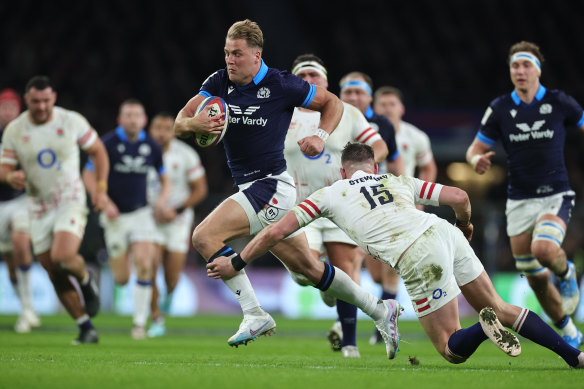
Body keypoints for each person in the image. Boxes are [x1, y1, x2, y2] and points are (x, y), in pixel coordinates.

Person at [208, 143, 584, 368]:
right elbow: (460, 198)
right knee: (501, 306)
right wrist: (465, 227)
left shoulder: (329, 193)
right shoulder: (395, 180)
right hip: (443, 231)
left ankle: (483, 330)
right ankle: (573, 356)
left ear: (343, 170)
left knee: (450, 349)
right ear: (374, 167)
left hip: (416, 252)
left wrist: (237, 261)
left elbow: (275, 231)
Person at [173, 19, 400, 350]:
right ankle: (381, 310)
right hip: (253, 188)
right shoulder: (219, 82)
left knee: (204, 236)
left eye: (237, 53)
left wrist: (321, 136)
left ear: (256, 55)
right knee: (308, 270)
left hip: (271, 186)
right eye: (226, 53)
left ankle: (253, 313)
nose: (229, 60)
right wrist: (195, 123)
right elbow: (181, 121)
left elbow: (332, 103)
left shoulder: (281, 84)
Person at [466, 41, 583, 348]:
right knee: (535, 277)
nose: (520, 71)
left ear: (538, 69)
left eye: (526, 65)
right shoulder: (501, 107)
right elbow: (474, 149)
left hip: (555, 193)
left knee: (544, 250)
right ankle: (569, 331)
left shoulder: (559, 102)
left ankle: (566, 270)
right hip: (518, 200)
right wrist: (475, 159)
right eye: (515, 66)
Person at [285, 54, 390, 357]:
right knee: (302, 273)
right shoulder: (283, 111)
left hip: (339, 204)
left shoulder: (347, 112)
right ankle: (327, 285)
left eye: (313, 76)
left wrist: (366, 167)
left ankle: (349, 344)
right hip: (299, 205)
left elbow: (379, 144)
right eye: (301, 76)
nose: (308, 81)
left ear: (325, 81)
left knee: (346, 269)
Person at [0, 76, 108, 344]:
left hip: (69, 199)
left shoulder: (71, 121)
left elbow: (98, 151)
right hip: (37, 206)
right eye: (36, 101)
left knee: (62, 255)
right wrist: (9, 177)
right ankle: (85, 326)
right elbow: (4, 167)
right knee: (53, 269)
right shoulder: (15, 129)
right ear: (27, 100)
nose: (41, 107)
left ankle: (85, 281)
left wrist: (101, 188)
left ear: (54, 98)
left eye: (46, 101)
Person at [83, 99, 170, 340]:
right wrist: (102, 199)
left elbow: (166, 179)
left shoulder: (151, 146)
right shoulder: (107, 143)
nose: (133, 119)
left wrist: (161, 201)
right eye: (128, 115)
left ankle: (139, 324)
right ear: (120, 119)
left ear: (144, 120)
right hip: (114, 215)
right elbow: (88, 172)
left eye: (137, 115)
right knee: (121, 279)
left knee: (145, 264)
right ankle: (112, 272)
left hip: (141, 213)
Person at [338, 71, 405, 346]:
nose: (354, 97)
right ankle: (349, 320)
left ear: (369, 97)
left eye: (359, 92)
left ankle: (379, 325)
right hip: (340, 200)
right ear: (340, 95)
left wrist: (404, 197)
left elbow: (396, 162)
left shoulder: (382, 126)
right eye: (348, 92)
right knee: (355, 264)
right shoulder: (332, 117)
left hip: (375, 201)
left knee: (385, 269)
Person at [368, 85, 438, 344]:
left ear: (401, 109)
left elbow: (428, 167)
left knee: (391, 269)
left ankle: (384, 326)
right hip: (369, 207)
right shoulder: (365, 132)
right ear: (375, 108)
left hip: (400, 207)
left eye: (392, 104)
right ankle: (386, 311)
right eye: (382, 105)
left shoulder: (415, 136)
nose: (387, 109)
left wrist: (421, 200)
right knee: (376, 273)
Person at [146, 112, 208, 337]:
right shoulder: (142, 153)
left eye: (166, 128)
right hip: (150, 220)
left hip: (177, 221)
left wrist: (177, 210)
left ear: (173, 131)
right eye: (157, 128)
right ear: (150, 130)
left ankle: (168, 297)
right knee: (149, 269)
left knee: (171, 278)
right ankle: (156, 319)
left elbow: (201, 189)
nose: (161, 133)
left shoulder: (186, 155)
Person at [0, 88, 40, 333]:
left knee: (21, 243)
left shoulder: (27, 134)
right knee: (11, 263)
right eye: (3, 108)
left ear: (19, 110)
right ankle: (24, 305)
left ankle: (28, 310)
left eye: (11, 108)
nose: (7, 113)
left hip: (20, 200)